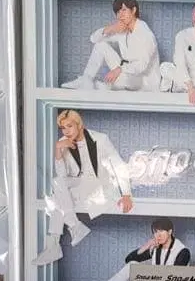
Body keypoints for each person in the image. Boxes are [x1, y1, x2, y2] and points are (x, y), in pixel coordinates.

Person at [33, 109, 134, 265]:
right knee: (57, 183)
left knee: (57, 200)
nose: (66, 131)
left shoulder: (100, 139)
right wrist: (58, 149)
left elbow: (118, 165)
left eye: (69, 126)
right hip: (78, 184)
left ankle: (55, 244)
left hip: (98, 186)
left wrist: (126, 194)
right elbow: (62, 174)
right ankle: (72, 228)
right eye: (63, 128)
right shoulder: (64, 141)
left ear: (79, 125)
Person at [78, 217, 190, 281]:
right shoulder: (156, 247)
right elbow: (129, 260)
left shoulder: (182, 251)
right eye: (155, 232)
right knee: (132, 265)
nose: (158, 235)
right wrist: (146, 246)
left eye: (161, 231)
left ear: (170, 232)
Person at [62, 0, 161, 92]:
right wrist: (111, 28)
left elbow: (142, 65)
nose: (120, 15)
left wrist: (119, 69)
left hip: (144, 80)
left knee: (121, 78)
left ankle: (100, 86)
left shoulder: (145, 33)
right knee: (100, 45)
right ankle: (86, 79)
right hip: (127, 73)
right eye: (118, 12)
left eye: (124, 10)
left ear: (134, 10)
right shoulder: (123, 31)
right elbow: (94, 39)